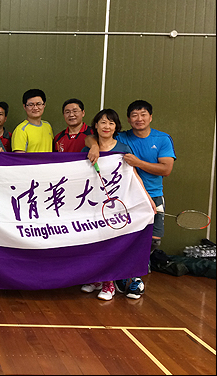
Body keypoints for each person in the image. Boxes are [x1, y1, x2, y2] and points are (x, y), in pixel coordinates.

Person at [85, 100, 175, 300]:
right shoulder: (122, 137)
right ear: (128, 119)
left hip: (151, 194)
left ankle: (126, 272)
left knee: (152, 241)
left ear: (150, 117)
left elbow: (166, 169)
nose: (139, 119)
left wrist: (138, 162)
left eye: (143, 114)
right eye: (134, 115)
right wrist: (94, 146)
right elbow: (91, 137)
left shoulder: (162, 139)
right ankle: (132, 278)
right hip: (123, 197)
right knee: (122, 237)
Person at [80, 108, 155, 300]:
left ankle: (109, 284)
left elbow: (134, 176)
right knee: (93, 243)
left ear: (116, 127)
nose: (107, 126)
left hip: (115, 206)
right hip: (91, 204)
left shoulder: (123, 149)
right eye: (103, 122)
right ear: (96, 125)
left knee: (110, 243)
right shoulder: (87, 149)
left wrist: (147, 198)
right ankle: (96, 279)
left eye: (111, 123)